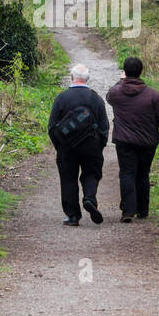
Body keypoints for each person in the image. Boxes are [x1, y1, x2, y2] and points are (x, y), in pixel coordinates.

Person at [106, 56, 159, 223]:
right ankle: (142, 210)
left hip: (124, 141)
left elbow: (108, 97)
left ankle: (128, 211)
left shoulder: (116, 92)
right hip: (147, 142)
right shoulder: (153, 95)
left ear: (125, 72)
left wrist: (120, 81)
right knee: (143, 175)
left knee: (127, 174)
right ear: (141, 72)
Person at [48, 62, 109, 226]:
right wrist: (100, 146)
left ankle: (73, 215)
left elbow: (52, 126)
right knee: (91, 173)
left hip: (66, 147)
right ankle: (89, 198)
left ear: (72, 77)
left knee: (68, 179)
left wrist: (59, 146)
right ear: (87, 79)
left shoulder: (62, 98)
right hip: (92, 145)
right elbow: (104, 126)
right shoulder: (95, 98)